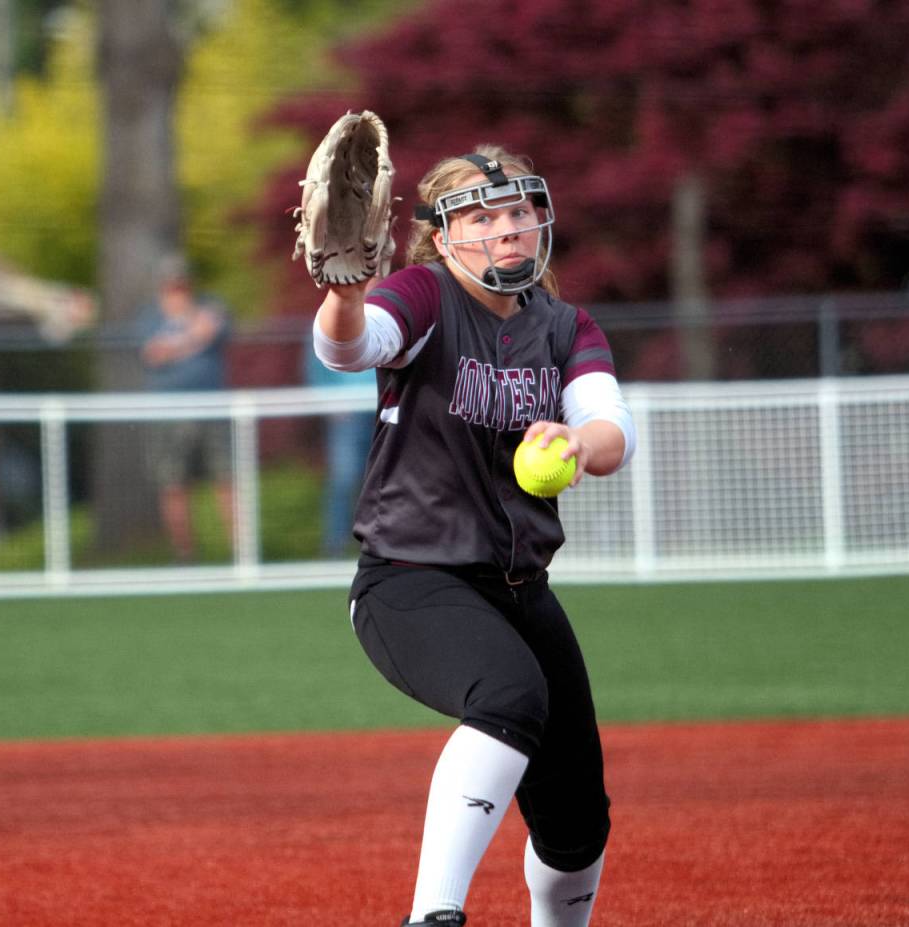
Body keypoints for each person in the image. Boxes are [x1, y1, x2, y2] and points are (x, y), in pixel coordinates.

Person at [310, 146, 637, 926]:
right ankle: (433, 914)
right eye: (483, 217)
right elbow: (350, 346)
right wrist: (344, 296)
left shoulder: (564, 325)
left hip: (521, 589)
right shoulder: (423, 294)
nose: (508, 229)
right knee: (507, 693)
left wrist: (577, 440)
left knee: (578, 823)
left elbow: (611, 430)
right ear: (442, 235)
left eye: (519, 211)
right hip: (409, 578)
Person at [138, 253, 233, 562]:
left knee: (226, 478)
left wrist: (177, 343)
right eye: (171, 285)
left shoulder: (211, 305)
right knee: (173, 484)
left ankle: (239, 553)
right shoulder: (149, 318)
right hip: (169, 414)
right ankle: (185, 556)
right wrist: (193, 338)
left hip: (212, 409)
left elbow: (215, 329)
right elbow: (154, 354)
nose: (177, 290)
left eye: (181, 284)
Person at [301, 338, 377, 558]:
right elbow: (315, 369)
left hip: (383, 409)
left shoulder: (390, 318)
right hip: (347, 413)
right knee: (344, 479)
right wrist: (329, 403)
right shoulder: (328, 322)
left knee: (383, 480)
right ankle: (336, 545)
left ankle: (379, 543)